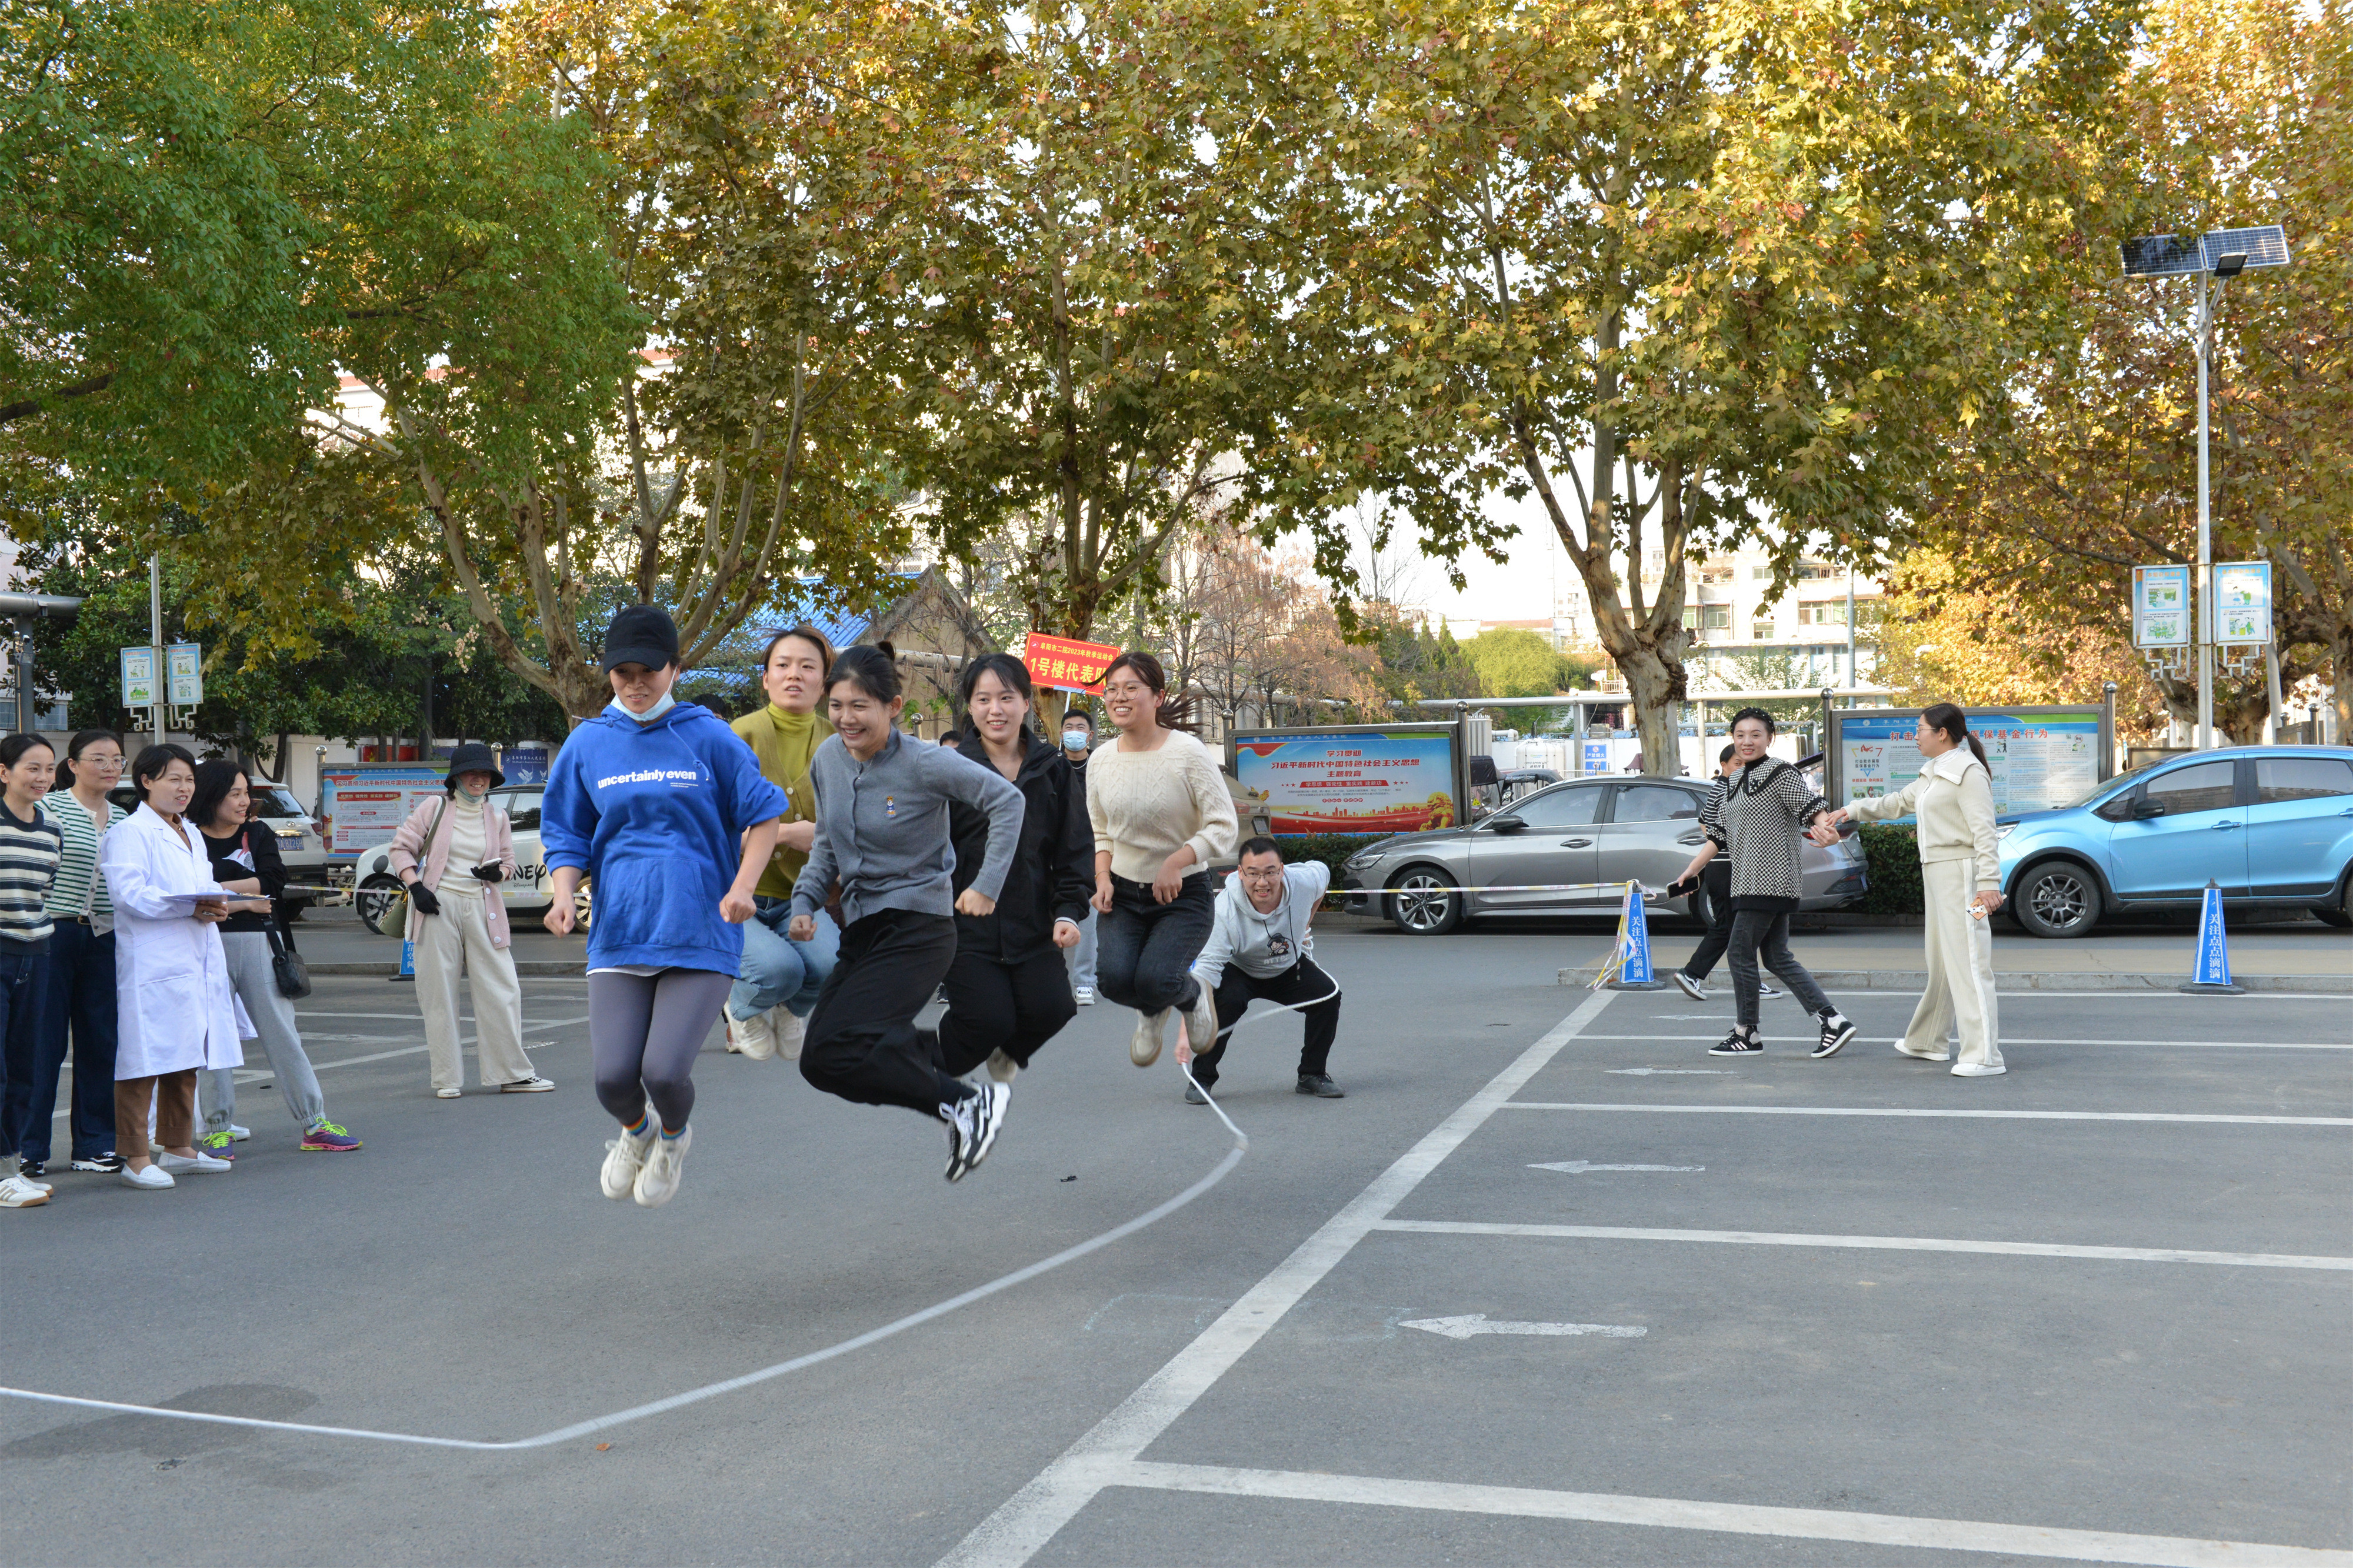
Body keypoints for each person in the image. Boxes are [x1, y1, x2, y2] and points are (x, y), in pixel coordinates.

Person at [542, 604, 786, 1209]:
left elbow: (764, 816)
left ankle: (673, 1138)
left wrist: (743, 887)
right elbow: (567, 832)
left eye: (648, 671)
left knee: (664, 1071)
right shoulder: (589, 742)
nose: (635, 683)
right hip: (621, 931)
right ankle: (637, 1132)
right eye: (622, 672)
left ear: (675, 668)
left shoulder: (709, 737)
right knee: (612, 1078)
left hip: (700, 929)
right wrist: (563, 894)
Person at [788, 642, 1025, 1181]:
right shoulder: (827, 760)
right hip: (863, 930)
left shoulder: (924, 761)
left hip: (918, 927)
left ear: (893, 707)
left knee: (849, 1040)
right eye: (837, 705)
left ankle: (964, 1103)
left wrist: (987, 885)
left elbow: (1008, 802)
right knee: (820, 1061)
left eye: (860, 706)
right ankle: (949, 1086)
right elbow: (826, 843)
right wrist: (805, 901)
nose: (846, 718)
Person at [1819, 703, 2006, 1077]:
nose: (1915, 736)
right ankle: (1928, 1041)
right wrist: (1851, 811)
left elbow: (1985, 832)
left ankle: (1985, 1056)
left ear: (1942, 733)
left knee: (1969, 962)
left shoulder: (1968, 772)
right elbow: (1898, 803)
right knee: (1943, 962)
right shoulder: (1934, 771)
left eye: (1920, 729)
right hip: (1937, 875)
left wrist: (1988, 885)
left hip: (1962, 876)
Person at [190, 761, 361, 1151]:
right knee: (213, 1039)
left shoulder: (258, 832)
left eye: (245, 793)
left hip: (260, 944)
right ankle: (217, 1128)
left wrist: (215, 890)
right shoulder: (189, 837)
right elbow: (189, 893)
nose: (244, 801)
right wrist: (244, 898)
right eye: (234, 794)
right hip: (204, 945)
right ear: (211, 796)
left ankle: (314, 1123)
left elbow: (272, 881)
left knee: (283, 1035)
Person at [936, 653, 1091, 1086]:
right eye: (983, 699)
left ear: (1026, 702)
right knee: (988, 1018)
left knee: (1054, 1009)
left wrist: (1067, 912)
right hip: (965, 927)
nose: (995, 710)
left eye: (1006, 698)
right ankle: (929, 1071)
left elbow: (1074, 848)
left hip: (1033, 924)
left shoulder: (1053, 769)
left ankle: (1010, 1049)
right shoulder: (949, 773)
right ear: (970, 706)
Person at [1670, 708, 1857, 1059]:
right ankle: (1832, 1021)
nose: (1747, 741)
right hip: (1746, 881)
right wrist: (1692, 871)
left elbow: (1811, 807)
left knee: (1740, 952)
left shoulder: (1780, 772)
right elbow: (1719, 836)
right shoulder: (1733, 781)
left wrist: (1827, 830)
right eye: (1740, 735)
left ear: (1770, 738)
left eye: (1756, 735)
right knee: (1775, 957)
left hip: (1771, 878)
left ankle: (1747, 1032)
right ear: (1733, 739)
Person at [100, 744, 246, 1190]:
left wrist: (218, 903)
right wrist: (189, 907)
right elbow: (129, 895)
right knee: (144, 1057)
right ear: (147, 781)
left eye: (189, 780)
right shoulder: (130, 833)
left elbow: (201, 886)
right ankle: (135, 1156)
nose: (184, 789)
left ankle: (178, 1146)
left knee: (187, 1054)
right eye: (174, 779)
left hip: (194, 954)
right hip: (153, 961)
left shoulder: (190, 832)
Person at [1085, 650, 1238, 1069]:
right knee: (1114, 982)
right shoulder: (1100, 759)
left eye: (1131, 688)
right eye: (1112, 689)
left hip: (1183, 894)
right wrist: (1102, 877)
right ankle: (1153, 1010)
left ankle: (1193, 997)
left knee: (1158, 979)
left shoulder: (1188, 753)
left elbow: (1224, 825)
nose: (1119, 697)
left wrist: (1177, 861)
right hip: (1122, 893)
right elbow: (1100, 830)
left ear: (1157, 697)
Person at [388, 743, 547, 1099]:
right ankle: (447, 1079)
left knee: (503, 989)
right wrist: (416, 887)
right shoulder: (435, 807)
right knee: (438, 994)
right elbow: (400, 849)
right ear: (456, 778)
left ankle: (513, 1073)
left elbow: (508, 861)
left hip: (483, 906)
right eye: (471, 773)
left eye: (485, 773)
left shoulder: (498, 817)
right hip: (437, 906)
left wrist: (498, 873)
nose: (479, 779)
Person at [722, 625, 841, 1063]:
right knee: (779, 971)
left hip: (801, 896)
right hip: (738, 895)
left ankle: (793, 1011)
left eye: (807, 667)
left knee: (830, 966)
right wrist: (791, 834)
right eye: (783, 665)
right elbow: (712, 831)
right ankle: (741, 1009)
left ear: (823, 684)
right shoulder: (738, 736)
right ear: (766, 679)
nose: (795, 675)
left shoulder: (839, 743)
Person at [17, 730, 126, 1180]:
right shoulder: (49, 807)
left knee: (101, 1040)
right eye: (98, 758)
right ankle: (28, 1148)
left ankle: (95, 1144)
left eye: (116, 759)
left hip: (105, 936)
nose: (109, 767)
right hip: (54, 933)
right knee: (42, 1043)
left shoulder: (124, 819)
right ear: (74, 765)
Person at [1181, 837, 1345, 1104]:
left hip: (1288, 966)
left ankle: (1311, 1075)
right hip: (1240, 968)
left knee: (1328, 997)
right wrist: (1189, 1024)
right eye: (1253, 874)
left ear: (1282, 869)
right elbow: (1207, 969)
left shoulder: (1303, 882)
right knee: (1225, 1003)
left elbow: (1323, 873)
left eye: (1270, 872)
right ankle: (1202, 1079)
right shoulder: (1224, 911)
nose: (1262, 882)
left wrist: (1307, 921)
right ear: (1240, 873)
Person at [0, 735, 62, 1208]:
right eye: (32, 768)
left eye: (49, 769)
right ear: (4, 773)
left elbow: (44, 892)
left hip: (36, 955)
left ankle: (11, 1166)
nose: (43, 778)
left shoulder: (52, 828)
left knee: (25, 1068)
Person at [1668, 745, 1778, 1003]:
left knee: (1738, 928)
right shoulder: (1728, 788)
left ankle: (1750, 982)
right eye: (1737, 764)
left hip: (1720, 867)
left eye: (1745, 764)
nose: (1742, 768)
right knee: (1731, 928)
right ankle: (1692, 973)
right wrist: (1728, 844)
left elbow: (1704, 822)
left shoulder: (1721, 788)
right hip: (1728, 867)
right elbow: (1715, 830)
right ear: (1724, 766)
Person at [1059, 708, 1098, 1005]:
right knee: (1055, 913)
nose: (1074, 732)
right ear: (1061, 734)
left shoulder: (1100, 768)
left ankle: (1085, 981)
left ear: (1090, 735)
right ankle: (1053, 979)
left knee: (1089, 915)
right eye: (1069, 727)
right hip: (1056, 850)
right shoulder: (1051, 766)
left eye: (1080, 727)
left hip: (1093, 851)